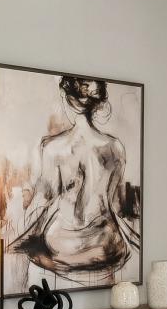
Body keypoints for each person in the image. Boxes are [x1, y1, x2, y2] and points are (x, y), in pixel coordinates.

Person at [14, 76, 140, 281]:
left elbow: (47, 196)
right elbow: (113, 203)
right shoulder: (115, 147)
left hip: (62, 243)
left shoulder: (51, 147)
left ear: (67, 99)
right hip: (103, 243)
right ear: (98, 103)